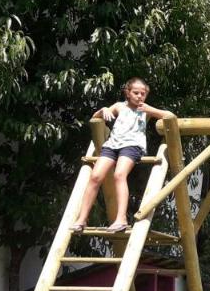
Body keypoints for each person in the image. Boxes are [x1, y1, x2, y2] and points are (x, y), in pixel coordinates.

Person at [71, 78, 170, 234]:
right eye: (136, 93)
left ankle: (121, 218)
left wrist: (151, 111)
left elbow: (169, 116)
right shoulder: (119, 106)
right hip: (112, 145)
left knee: (119, 174)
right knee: (95, 176)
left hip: (132, 146)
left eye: (143, 94)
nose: (139, 96)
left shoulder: (145, 109)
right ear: (127, 93)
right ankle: (81, 219)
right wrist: (103, 110)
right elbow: (95, 117)